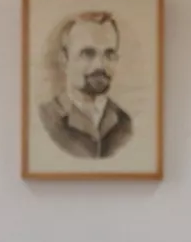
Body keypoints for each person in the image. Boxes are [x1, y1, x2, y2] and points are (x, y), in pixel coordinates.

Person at [39, 11, 134, 160]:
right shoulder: (46, 118)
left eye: (109, 54)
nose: (100, 65)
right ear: (64, 60)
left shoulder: (125, 123)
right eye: (88, 54)